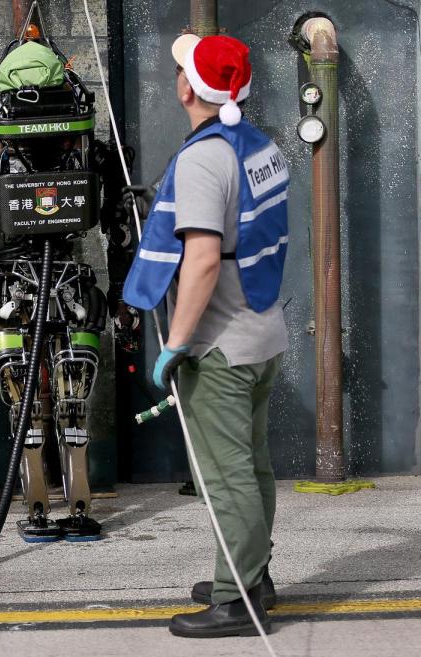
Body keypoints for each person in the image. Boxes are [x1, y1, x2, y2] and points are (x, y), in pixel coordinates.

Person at [123, 34, 290, 637]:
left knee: (226, 478)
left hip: (221, 344)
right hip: (263, 331)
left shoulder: (202, 159)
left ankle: (236, 599)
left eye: (178, 70)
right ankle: (255, 572)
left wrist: (175, 345)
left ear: (188, 88)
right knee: (254, 468)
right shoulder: (261, 145)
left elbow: (199, 261)